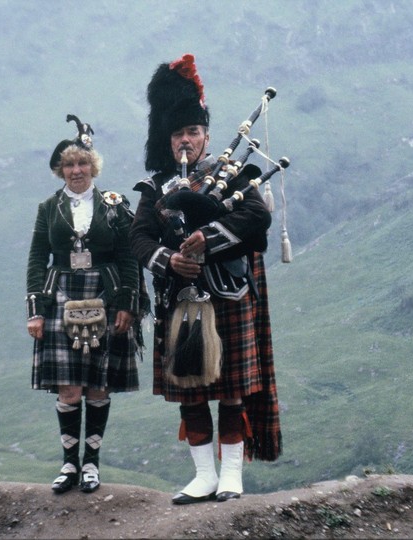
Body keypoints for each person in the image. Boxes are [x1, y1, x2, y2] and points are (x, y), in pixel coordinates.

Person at [129, 54, 282, 504]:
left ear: (206, 137)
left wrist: (204, 240)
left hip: (229, 296)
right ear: (169, 138)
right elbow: (138, 239)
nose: (186, 140)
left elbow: (257, 217)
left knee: (232, 393)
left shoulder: (228, 174)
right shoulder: (155, 188)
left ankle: (231, 476)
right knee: (192, 395)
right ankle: (204, 477)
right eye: (178, 133)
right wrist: (169, 261)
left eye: (193, 132)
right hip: (180, 300)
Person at [26, 115, 143, 494]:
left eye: (82, 164)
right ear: (60, 171)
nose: (76, 170)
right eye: (69, 165)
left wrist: (128, 302)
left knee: (98, 387)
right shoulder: (48, 209)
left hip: (105, 295)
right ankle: (68, 465)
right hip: (60, 294)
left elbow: (128, 256)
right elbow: (36, 259)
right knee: (69, 390)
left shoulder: (114, 204)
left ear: (93, 167)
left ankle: (91, 465)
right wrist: (35, 311)